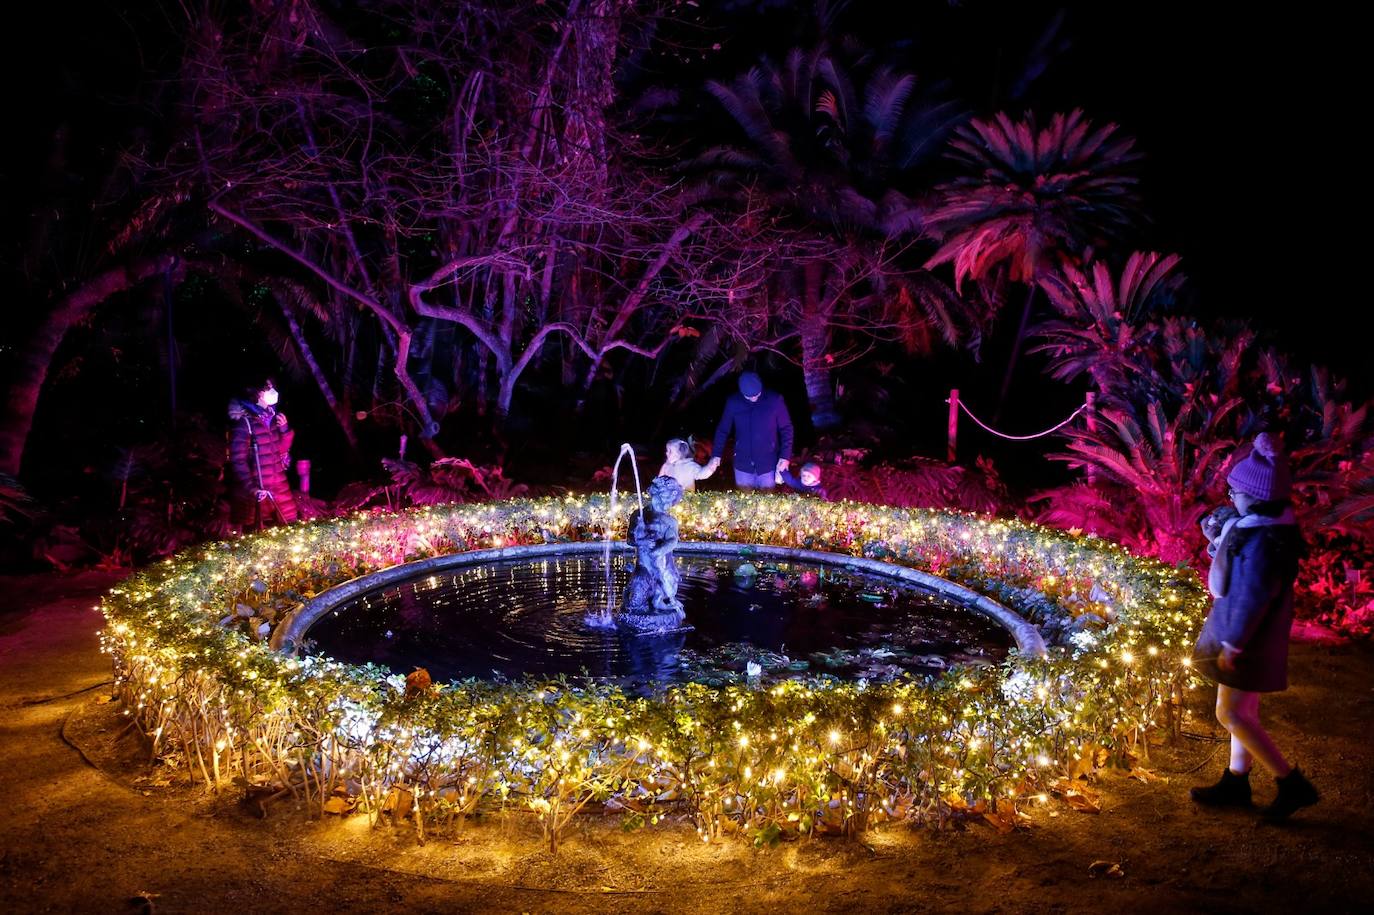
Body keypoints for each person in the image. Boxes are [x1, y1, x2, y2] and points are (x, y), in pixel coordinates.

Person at [1190, 432, 1317, 821]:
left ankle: (1290, 783)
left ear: (1256, 496)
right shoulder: (1269, 530)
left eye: (1235, 493)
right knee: (1242, 711)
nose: (1231, 500)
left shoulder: (1262, 540)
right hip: (1250, 637)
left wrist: (1234, 644)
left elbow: (1252, 596)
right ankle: (1236, 781)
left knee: (1230, 714)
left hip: (1244, 640)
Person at [226, 379, 298, 529]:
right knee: (257, 538)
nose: (273, 391)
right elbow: (238, 461)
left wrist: (284, 430)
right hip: (257, 494)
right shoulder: (245, 423)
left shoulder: (273, 419)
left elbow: (281, 452)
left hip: (280, 489)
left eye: (272, 387)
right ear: (257, 393)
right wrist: (252, 488)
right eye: (268, 388)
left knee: (289, 532)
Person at [711, 371, 793, 490]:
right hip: (742, 464)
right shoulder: (733, 402)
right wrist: (716, 454)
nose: (754, 398)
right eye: (749, 397)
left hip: (768, 463)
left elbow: (787, 428)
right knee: (745, 503)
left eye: (757, 395)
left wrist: (785, 457)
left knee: (766, 503)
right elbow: (723, 429)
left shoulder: (775, 400)